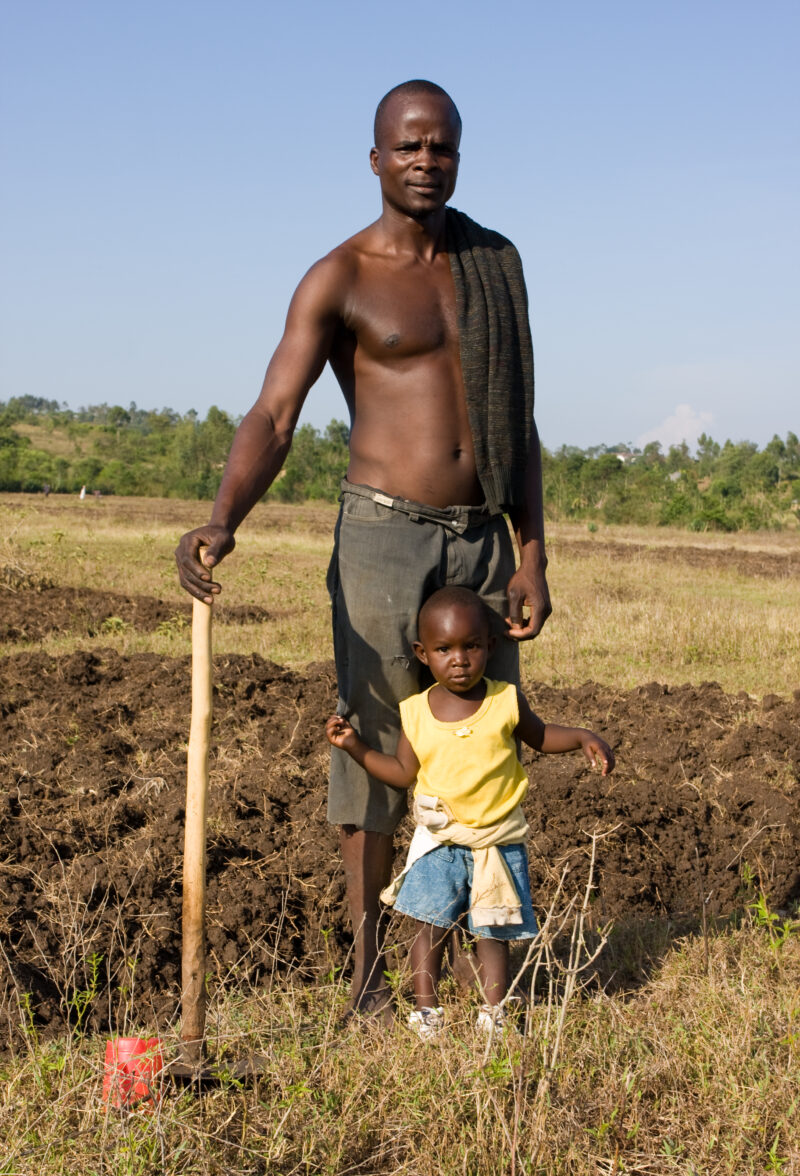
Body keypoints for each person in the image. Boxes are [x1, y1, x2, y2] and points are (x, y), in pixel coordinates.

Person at [175, 80, 552, 1022]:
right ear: (377, 157)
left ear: (460, 156)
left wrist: (532, 552)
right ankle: (369, 979)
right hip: (383, 536)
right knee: (379, 748)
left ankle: (477, 971)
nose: (428, 161)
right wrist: (225, 516)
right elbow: (274, 412)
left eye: (445, 148)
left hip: (480, 537)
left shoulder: (494, 262)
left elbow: (521, 421)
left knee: (481, 746)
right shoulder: (340, 276)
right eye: (410, 146)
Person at [326, 586, 615, 1039]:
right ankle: (427, 1012)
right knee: (429, 926)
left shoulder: (505, 700)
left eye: (471, 646)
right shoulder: (417, 712)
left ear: (490, 647)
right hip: (440, 841)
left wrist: (580, 736)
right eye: (444, 649)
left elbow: (539, 737)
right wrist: (355, 746)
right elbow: (403, 773)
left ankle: (496, 1011)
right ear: (423, 653)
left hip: (497, 841)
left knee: (493, 931)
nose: (459, 659)